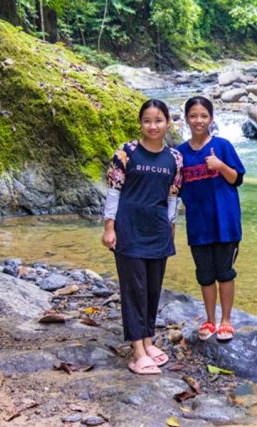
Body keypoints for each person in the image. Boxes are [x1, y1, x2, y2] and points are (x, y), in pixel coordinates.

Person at [103, 99, 183, 375]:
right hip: (129, 228)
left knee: (152, 289)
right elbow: (113, 191)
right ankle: (137, 351)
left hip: (158, 230)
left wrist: (171, 228)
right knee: (133, 290)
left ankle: (148, 341)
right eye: (147, 120)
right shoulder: (126, 152)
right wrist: (109, 227)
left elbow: (173, 196)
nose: (153, 126)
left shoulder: (174, 158)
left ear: (167, 123)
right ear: (140, 123)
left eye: (158, 120)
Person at [176, 96, 246, 343]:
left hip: (225, 222)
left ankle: (226, 321)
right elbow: (175, 188)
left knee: (225, 272)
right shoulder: (180, 153)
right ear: (186, 119)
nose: (198, 120)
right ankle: (209, 319)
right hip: (198, 224)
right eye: (193, 116)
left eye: (204, 116)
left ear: (211, 119)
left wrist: (219, 166)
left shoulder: (223, 146)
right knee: (204, 274)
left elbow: (237, 178)